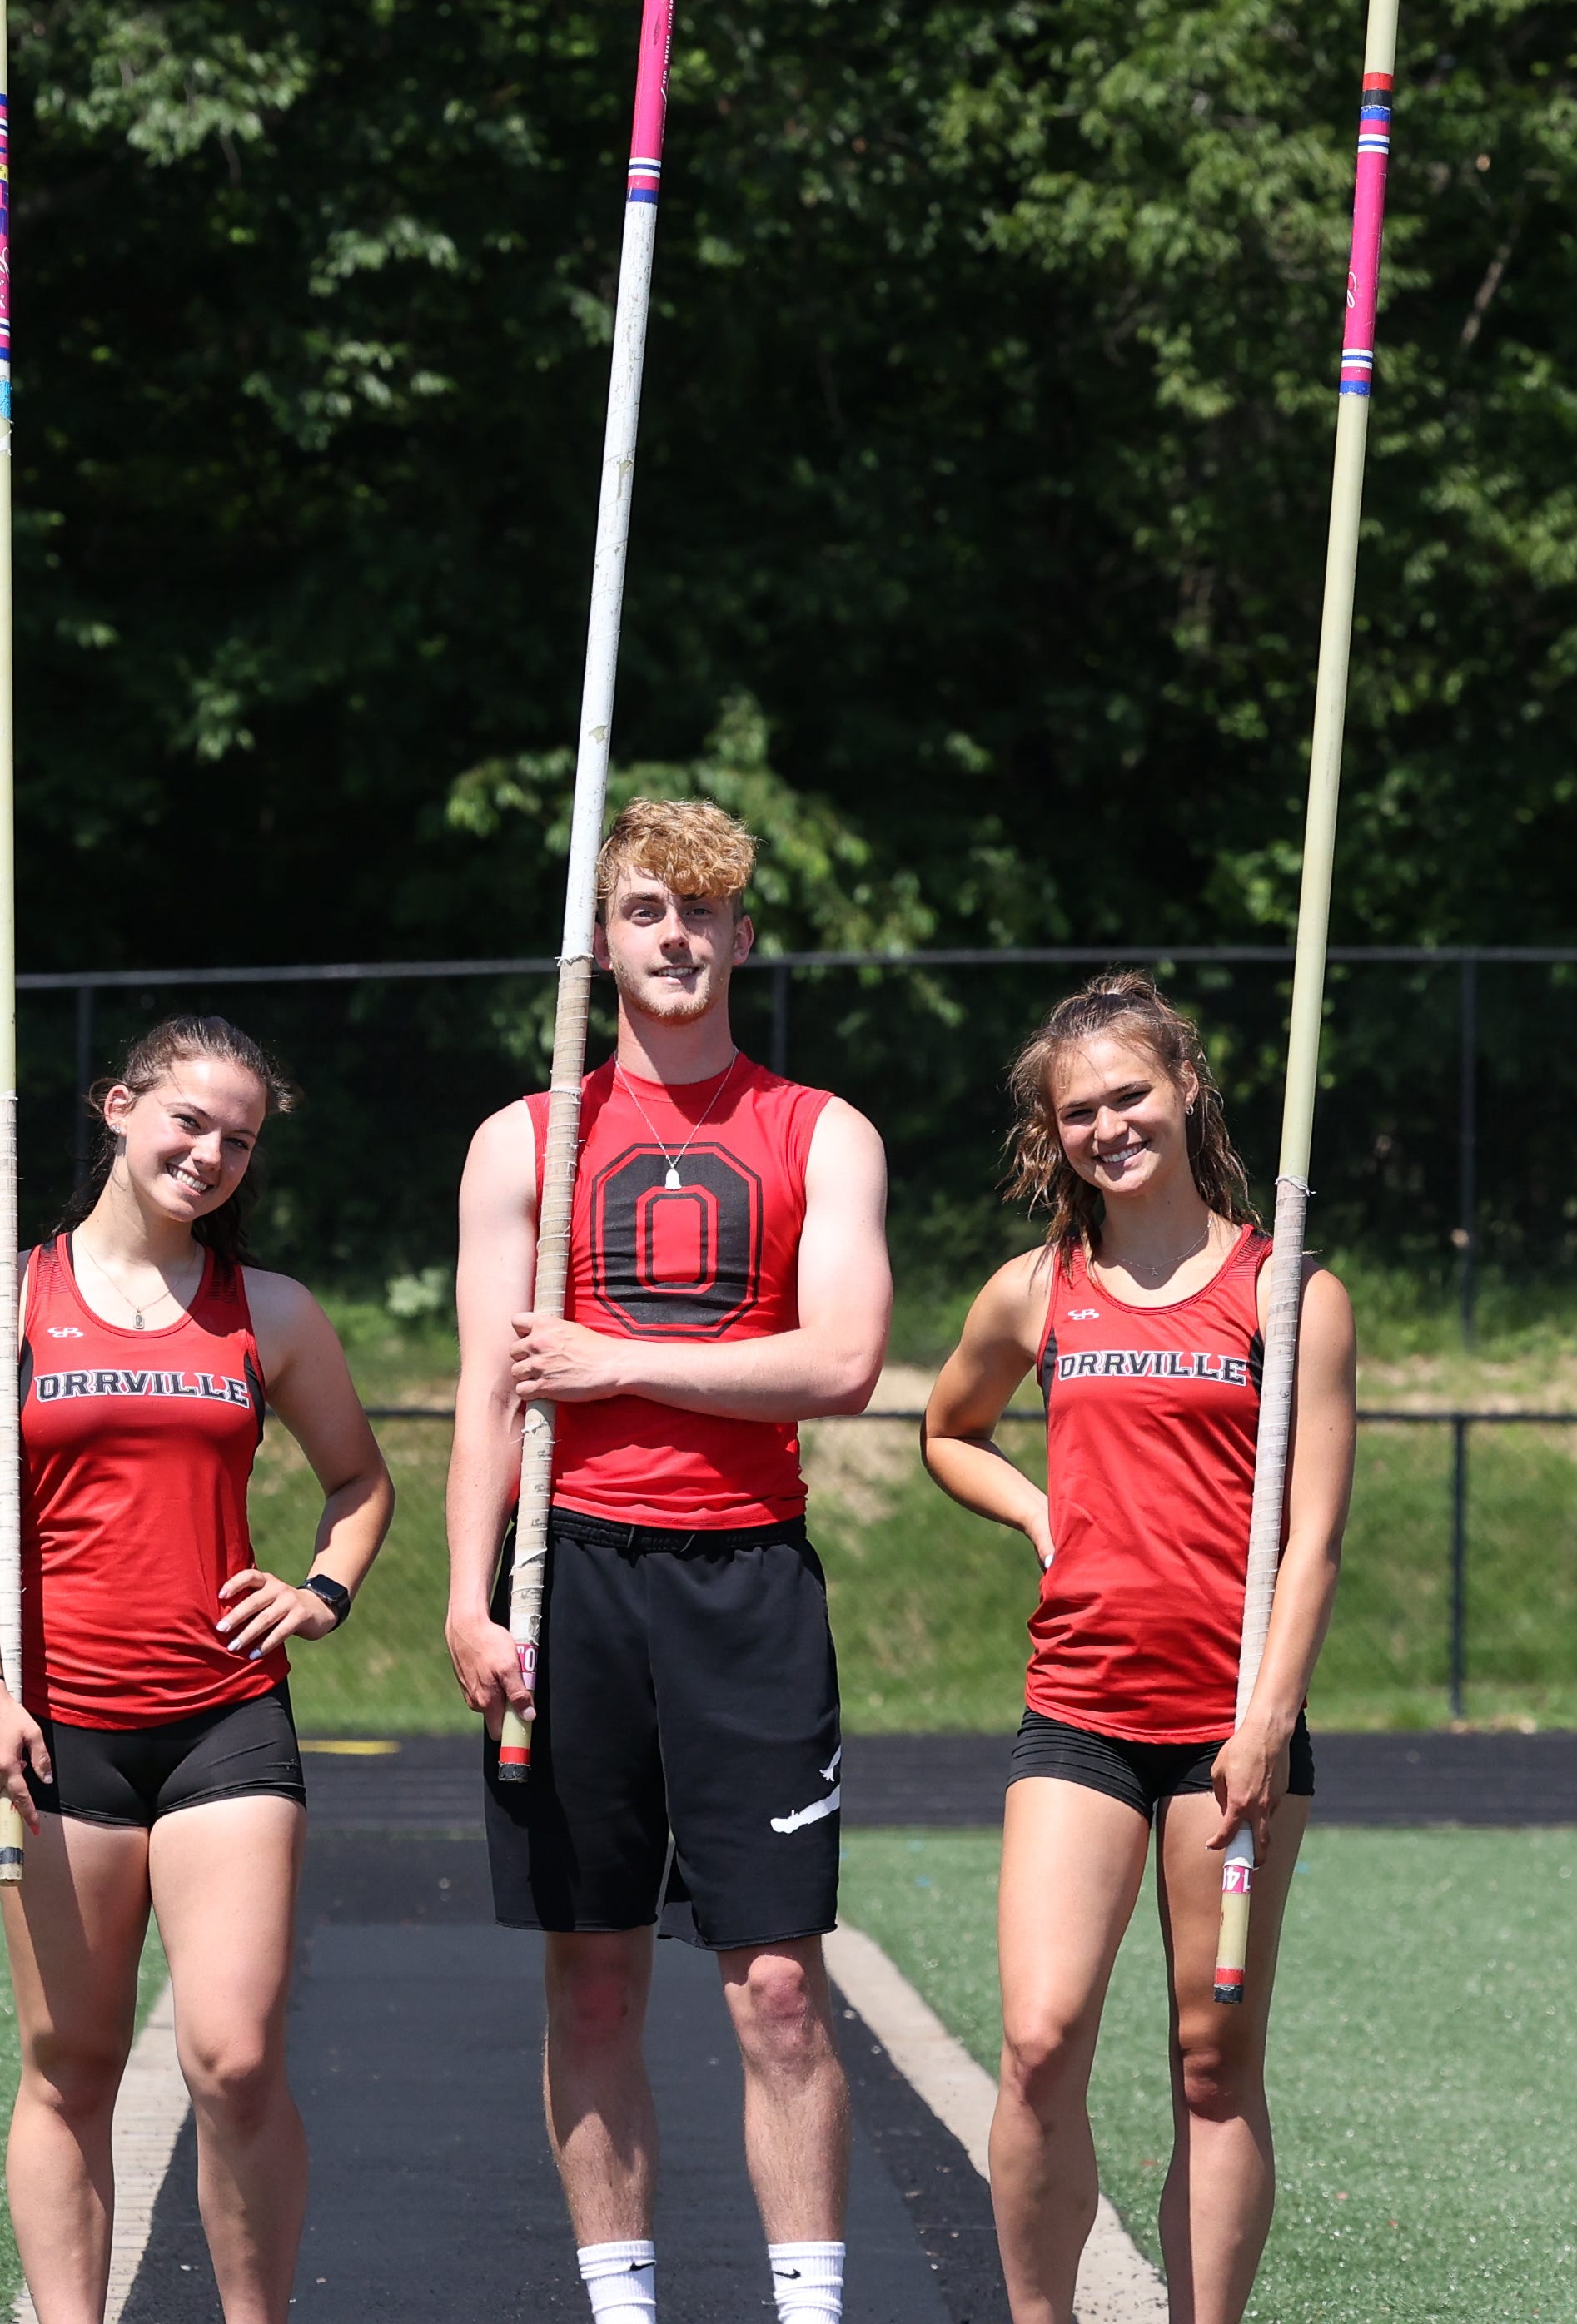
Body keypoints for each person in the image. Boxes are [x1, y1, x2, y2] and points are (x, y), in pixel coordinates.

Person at [447, 797, 893, 2324]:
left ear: (742, 938)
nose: (677, 936)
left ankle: (809, 2310)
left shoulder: (819, 1130)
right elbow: (489, 1389)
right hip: (565, 1579)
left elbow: (840, 1363)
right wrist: (465, 1596)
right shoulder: (526, 1138)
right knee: (591, 1979)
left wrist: (618, 1359)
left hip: (744, 1584)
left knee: (777, 1989)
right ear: (603, 941)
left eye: (703, 912)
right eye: (646, 910)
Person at [0, 1011, 393, 2324]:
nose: (209, 1155)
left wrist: (319, 1593)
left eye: (237, 1140)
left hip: (223, 1722)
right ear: (118, 1106)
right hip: (55, 1726)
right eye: (189, 1121)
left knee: (234, 2060)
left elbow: (359, 1482)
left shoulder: (272, 1311)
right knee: (68, 2066)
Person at [920, 971, 1356, 2324]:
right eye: (1078, 1112)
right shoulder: (1034, 1293)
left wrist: (1264, 1724)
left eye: (1130, 1095)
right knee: (1039, 2039)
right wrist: (1038, 1512)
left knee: (1211, 2065)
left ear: (1186, 1092)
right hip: (1080, 1715)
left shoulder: (1288, 1297)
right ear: (1050, 1135)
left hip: (1233, 1730)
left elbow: (1313, 1541)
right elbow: (948, 1430)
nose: (1108, 1126)